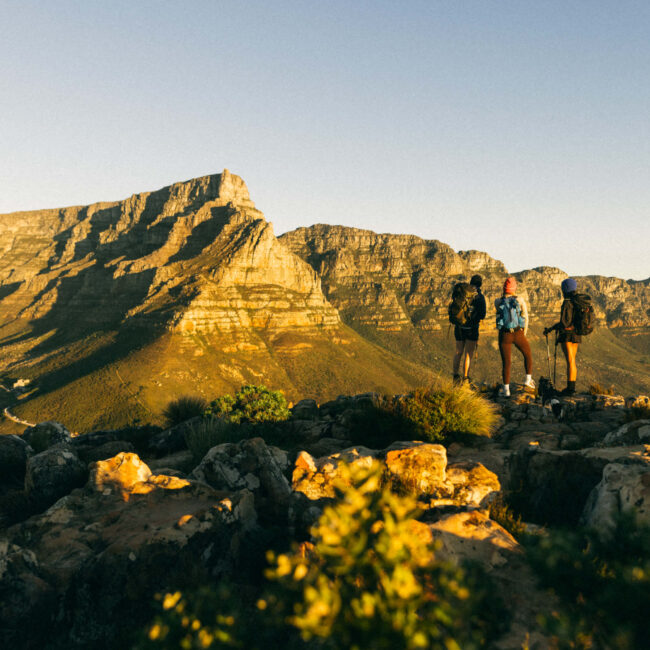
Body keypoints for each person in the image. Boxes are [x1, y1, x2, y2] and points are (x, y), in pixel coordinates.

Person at [495, 277, 534, 397]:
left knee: (506, 362)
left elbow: (500, 314)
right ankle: (528, 380)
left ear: (504, 288)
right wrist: (523, 334)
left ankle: (506, 390)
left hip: (505, 335)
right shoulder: (520, 300)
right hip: (518, 333)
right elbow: (526, 318)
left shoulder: (498, 301)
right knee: (527, 354)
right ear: (514, 288)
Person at [544, 277, 580, 396]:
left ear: (565, 290)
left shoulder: (567, 303)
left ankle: (570, 389)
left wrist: (551, 329)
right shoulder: (577, 302)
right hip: (576, 334)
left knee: (570, 361)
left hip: (567, 336)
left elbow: (564, 323)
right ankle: (572, 387)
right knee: (573, 361)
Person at [452, 274, 487, 385]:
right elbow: (482, 315)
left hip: (459, 327)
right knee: (468, 354)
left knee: (458, 352)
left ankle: (455, 376)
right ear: (480, 284)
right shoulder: (479, 296)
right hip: (471, 328)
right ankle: (465, 378)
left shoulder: (462, 292)